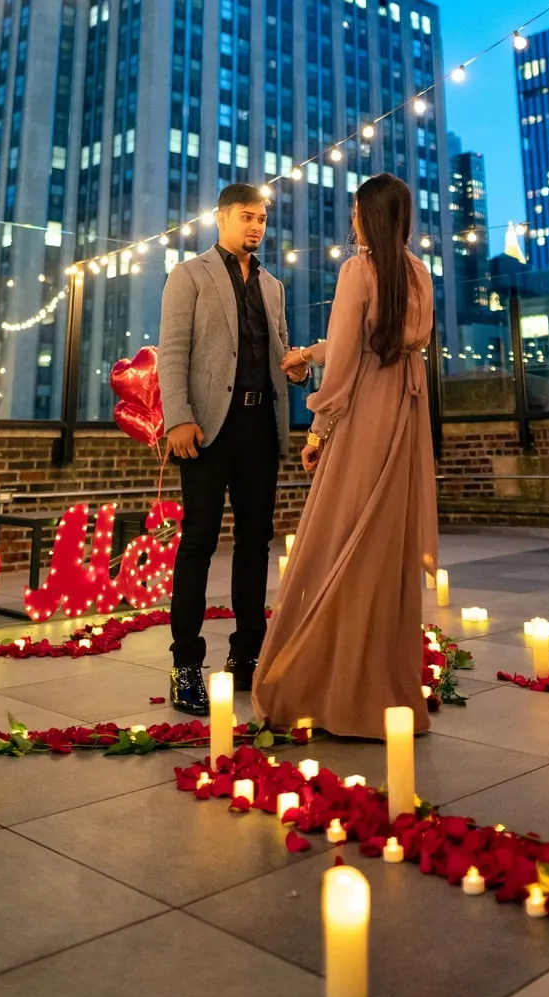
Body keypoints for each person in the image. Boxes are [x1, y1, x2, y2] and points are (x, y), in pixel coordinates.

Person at [252, 173, 437, 739]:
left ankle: (325, 680)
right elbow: (376, 338)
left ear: (370, 216)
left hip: (364, 417)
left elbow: (349, 364)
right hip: (405, 416)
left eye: (357, 211)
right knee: (384, 544)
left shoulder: (360, 270)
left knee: (336, 539)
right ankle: (382, 681)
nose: (351, 220)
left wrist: (318, 430)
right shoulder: (418, 274)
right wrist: (311, 350)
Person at [157, 183, 309, 715]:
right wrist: (177, 417)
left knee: (255, 543)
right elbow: (172, 353)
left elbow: (276, 351)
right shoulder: (189, 274)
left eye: (263, 220)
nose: (256, 227)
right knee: (197, 541)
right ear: (221, 217)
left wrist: (296, 367)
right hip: (204, 429)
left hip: (260, 426)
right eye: (247, 217)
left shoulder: (273, 285)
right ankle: (185, 667)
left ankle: (246, 659)